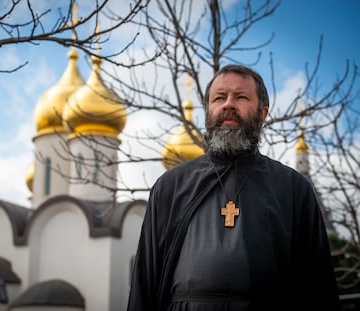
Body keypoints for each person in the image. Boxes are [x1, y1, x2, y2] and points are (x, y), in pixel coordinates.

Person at [127, 64, 340, 310]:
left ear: (263, 113)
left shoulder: (294, 188)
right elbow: (145, 280)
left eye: (241, 97)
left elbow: (318, 284)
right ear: (208, 111)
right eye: (219, 98)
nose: (228, 104)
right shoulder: (171, 186)